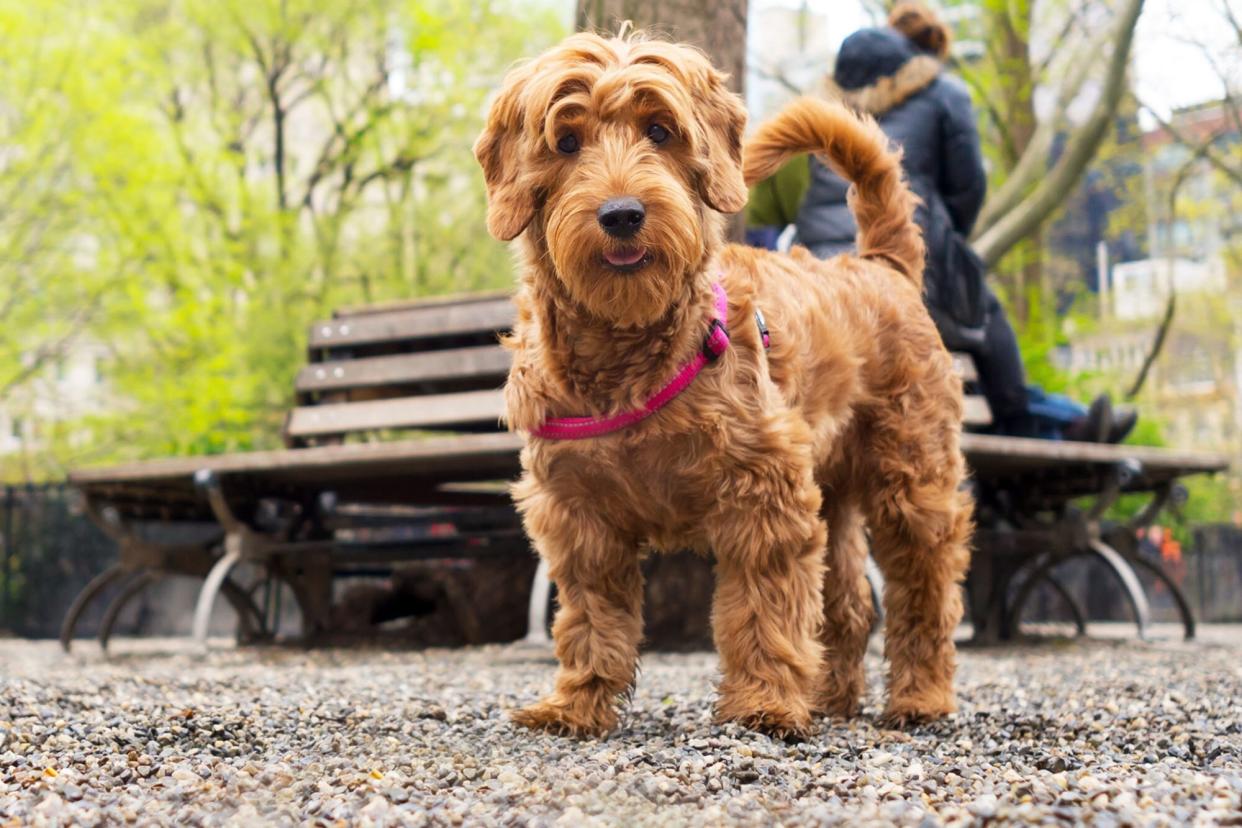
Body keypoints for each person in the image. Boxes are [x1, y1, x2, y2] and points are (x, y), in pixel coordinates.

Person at [747, 2, 1136, 443]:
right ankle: (1046, 420)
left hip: (816, 284)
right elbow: (967, 192)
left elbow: (773, 210)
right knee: (982, 315)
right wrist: (943, 244)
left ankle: (1058, 419)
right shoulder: (944, 94)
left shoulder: (823, 112)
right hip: (904, 272)